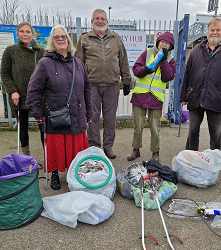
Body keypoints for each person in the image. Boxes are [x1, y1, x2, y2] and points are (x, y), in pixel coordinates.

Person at [26, 25, 93, 190]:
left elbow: (87, 88)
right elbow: (33, 91)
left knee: (77, 151)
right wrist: (38, 114)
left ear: (68, 40)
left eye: (63, 36)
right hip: (56, 117)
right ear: (52, 41)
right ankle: (55, 174)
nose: (61, 39)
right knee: (56, 150)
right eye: (57, 37)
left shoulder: (78, 62)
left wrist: (89, 112)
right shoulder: (44, 63)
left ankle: (76, 173)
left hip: (77, 116)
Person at [75, 8, 131, 160]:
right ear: (92, 21)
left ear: (107, 21)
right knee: (92, 118)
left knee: (110, 119)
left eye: (103, 19)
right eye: (97, 18)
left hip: (112, 86)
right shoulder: (85, 39)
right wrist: (78, 84)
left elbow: (123, 61)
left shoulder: (116, 38)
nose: (100, 21)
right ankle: (94, 148)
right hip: (91, 86)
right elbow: (78, 63)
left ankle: (108, 147)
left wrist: (126, 81)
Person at [179, 18, 221, 151]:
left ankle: (214, 162)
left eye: (218, 30)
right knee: (193, 132)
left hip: (217, 97)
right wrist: (183, 96)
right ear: (208, 31)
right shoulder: (196, 50)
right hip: (196, 95)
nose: (214, 33)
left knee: (215, 133)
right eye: (212, 30)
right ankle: (191, 158)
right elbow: (187, 74)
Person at [127, 32, 176, 162]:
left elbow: (168, 77)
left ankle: (155, 152)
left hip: (155, 98)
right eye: (162, 42)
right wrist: (144, 70)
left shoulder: (171, 60)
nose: (164, 45)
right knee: (138, 125)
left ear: (170, 47)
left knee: (155, 128)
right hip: (140, 96)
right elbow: (136, 69)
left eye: (167, 44)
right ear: (158, 42)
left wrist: (164, 61)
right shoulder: (147, 53)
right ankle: (135, 150)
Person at [1, 22, 45, 156]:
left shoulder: (42, 52)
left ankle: (48, 154)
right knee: (23, 128)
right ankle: (26, 156)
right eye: (22, 31)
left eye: (28, 31)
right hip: (19, 97)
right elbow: (5, 73)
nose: (25, 34)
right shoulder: (11, 51)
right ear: (17, 34)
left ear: (33, 34)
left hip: (39, 98)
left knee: (43, 128)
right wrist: (13, 91)